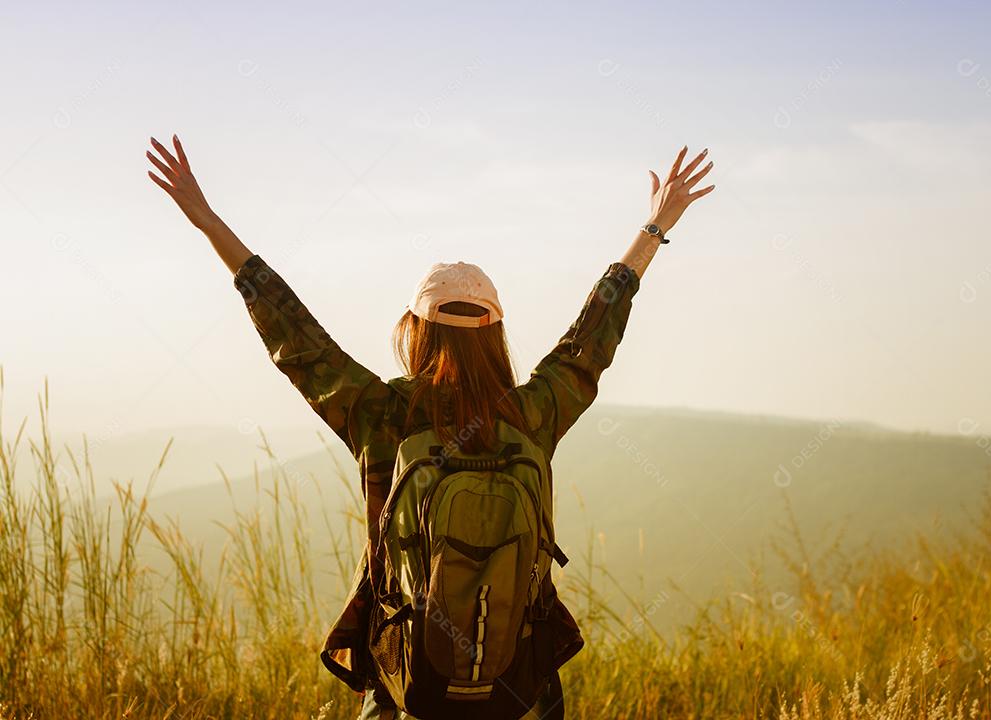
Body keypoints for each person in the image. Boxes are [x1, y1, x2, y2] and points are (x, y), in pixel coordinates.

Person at [147, 135, 714, 719]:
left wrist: (209, 223)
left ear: (416, 330)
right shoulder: (531, 414)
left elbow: (296, 337)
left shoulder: (383, 414)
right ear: (495, 336)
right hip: (519, 675)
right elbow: (592, 339)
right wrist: (654, 227)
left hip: (405, 670)